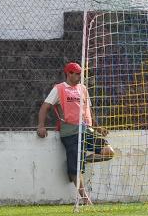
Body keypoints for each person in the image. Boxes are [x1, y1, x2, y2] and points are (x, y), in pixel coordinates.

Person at [36, 62, 114, 205]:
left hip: (86, 130)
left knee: (108, 152)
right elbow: (45, 107)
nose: (79, 76)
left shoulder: (83, 89)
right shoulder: (59, 89)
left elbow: (88, 111)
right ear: (69, 73)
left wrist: (97, 127)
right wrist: (41, 126)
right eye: (76, 73)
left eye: (80, 73)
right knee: (75, 168)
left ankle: (83, 160)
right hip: (70, 132)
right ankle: (85, 198)